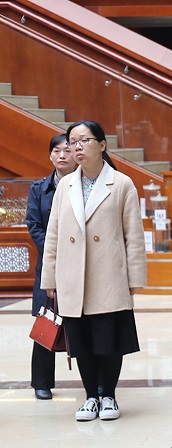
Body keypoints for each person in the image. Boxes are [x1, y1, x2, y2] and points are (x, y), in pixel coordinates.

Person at [40, 120, 147, 422]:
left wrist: (134, 278)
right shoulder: (65, 186)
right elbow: (53, 234)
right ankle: (90, 398)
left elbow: (134, 235)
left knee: (108, 340)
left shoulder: (122, 183)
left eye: (84, 140)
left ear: (101, 145)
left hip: (109, 276)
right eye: (72, 141)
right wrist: (50, 278)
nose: (76, 147)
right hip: (73, 276)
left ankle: (108, 396)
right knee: (82, 341)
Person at [26, 133, 75, 400]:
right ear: (50, 156)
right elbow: (34, 225)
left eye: (67, 150)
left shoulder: (84, 185)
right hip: (50, 265)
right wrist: (56, 252)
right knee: (46, 322)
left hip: (80, 263)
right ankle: (41, 382)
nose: (62, 155)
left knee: (85, 323)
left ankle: (95, 383)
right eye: (56, 151)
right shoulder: (38, 188)